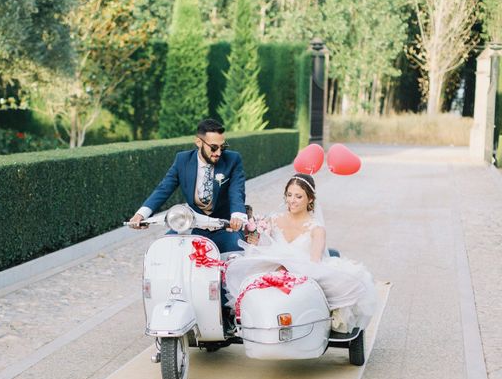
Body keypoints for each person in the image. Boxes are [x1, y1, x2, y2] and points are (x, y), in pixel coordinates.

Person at [225, 173, 377, 333]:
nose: (292, 200)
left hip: (303, 271)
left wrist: (290, 272)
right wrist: (254, 236)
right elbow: (260, 248)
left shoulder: (316, 228)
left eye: (298, 196)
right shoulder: (273, 220)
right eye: (289, 195)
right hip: (273, 268)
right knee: (243, 275)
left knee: (353, 281)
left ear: (310, 199)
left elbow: (314, 262)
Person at [128, 118, 247, 253]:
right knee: (165, 251)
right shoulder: (182, 160)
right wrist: (141, 215)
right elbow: (164, 189)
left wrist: (237, 215)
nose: (219, 153)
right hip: (192, 225)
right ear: (198, 142)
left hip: (224, 228)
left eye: (222, 147)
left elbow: (236, 191)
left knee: (236, 256)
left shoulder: (233, 160)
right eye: (214, 147)